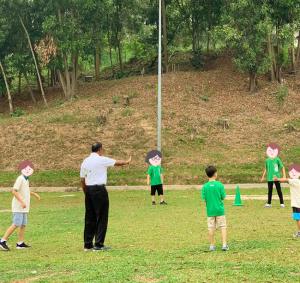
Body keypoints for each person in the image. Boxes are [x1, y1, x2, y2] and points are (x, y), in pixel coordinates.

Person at [80, 142, 131, 252]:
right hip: (99, 190)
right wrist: (127, 161)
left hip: (88, 190)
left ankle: (87, 244)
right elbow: (117, 163)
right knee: (102, 216)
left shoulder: (85, 161)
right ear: (100, 149)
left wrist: (87, 192)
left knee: (90, 217)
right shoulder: (101, 159)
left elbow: (82, 179)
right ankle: (98, 244)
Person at [0, 160, 40, 251]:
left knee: (23, 224)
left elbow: (25, 191)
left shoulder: (26, 179)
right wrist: (22, 202)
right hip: (18, 206)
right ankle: (2, 241)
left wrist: (34, 194)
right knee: (16, 223)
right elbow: (14, 191)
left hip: (24, 207)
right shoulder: (20, 178)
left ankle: (20, 243)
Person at [201, 165, 228, 251]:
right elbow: (223, 197)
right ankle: (224, 245)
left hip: (210, 211)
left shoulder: (204, 187)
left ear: (207, 175)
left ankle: (212, 245)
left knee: (211, 227)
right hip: (220, 210)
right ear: (215, 174)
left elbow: (204, 200)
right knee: (223, 226)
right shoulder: (220, 185)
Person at [274, 164, 300, 238]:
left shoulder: (294, 181)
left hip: (297, 204)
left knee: (298, 218)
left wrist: (277, 179)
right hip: (297, 203)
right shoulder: (297, 181)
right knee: (297, 218)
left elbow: (285, 180)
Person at [261, 143, 286, 208]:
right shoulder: (267, 160)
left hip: (276, 178)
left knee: (279, 190)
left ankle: (282, 203)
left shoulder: (277, 159)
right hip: (269, 178)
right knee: (270, 191)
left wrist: (284, 176)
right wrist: (263, 177)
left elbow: (282, 167)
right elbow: (266, 169)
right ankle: (269, 203)